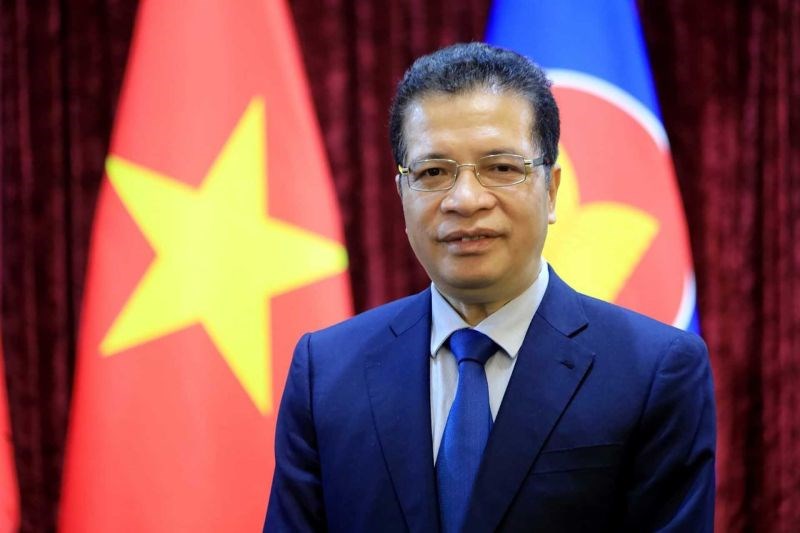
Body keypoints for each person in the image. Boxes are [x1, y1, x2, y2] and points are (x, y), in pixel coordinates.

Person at [264, 42, 715, 532]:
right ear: (402, 194)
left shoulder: (654, 371)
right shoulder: (327, 373)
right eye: (433, 172)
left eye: (501, 168)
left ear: (551, 190)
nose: (465, 199)